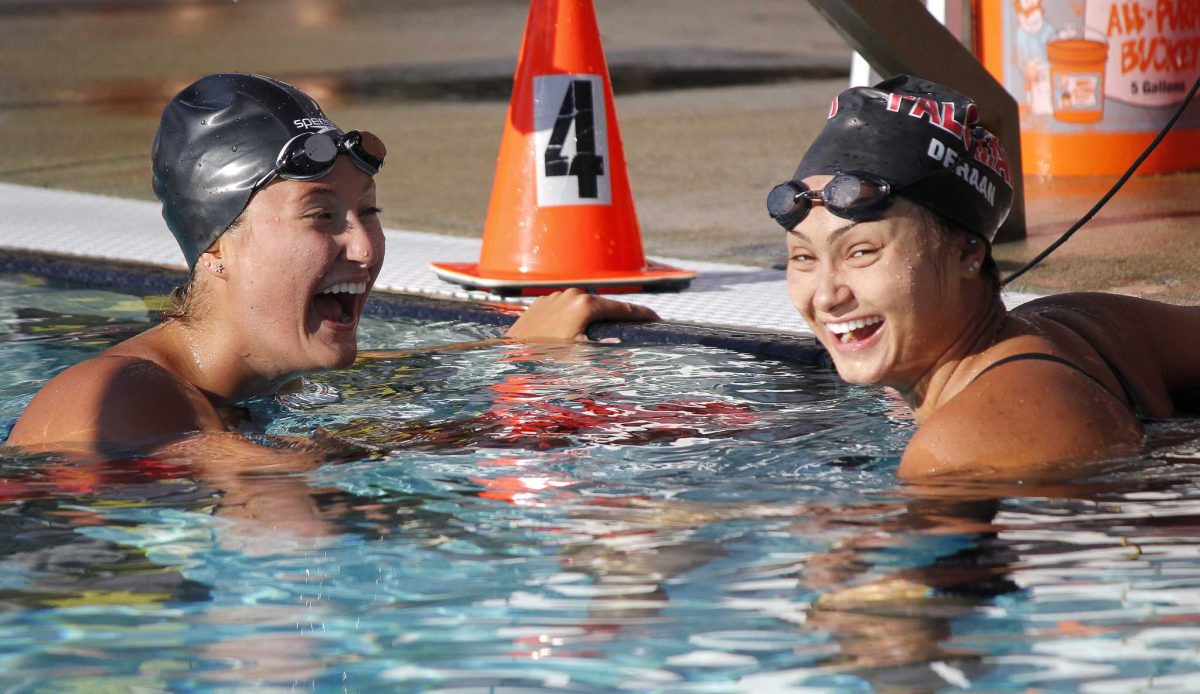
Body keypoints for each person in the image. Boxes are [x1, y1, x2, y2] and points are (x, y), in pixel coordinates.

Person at [546, 75, 1200, 481]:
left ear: (969, 251)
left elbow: (893, 632)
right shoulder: (1082, 325)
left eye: (861, 253)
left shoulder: (959, 451)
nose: (826, 294)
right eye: (803, 258)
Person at [7, 73, 652, 455]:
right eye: (321, 216)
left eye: (367, 211)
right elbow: (295, 475)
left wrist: (513, 352)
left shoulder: (256, 376)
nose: (366, 249)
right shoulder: (115, 395)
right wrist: (552, 425)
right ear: (215, 250)